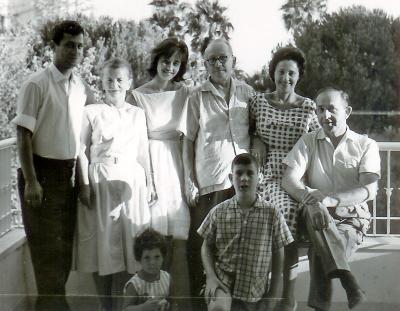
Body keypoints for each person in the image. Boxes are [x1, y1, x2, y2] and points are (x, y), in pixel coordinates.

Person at [12, 20, 91, 311]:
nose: (75, 51)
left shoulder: (80, 86)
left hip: (68, 176)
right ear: (54, 47)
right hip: (41, 175)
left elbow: (78, 140)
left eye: (80, 46)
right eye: (69, 44)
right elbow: (23, 135)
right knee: (46, 255)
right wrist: (32, 181)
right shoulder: (37, 84)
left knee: (63, 253)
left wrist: (82, 182)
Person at [282, 87, 380, 310]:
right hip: (315, 213)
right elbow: (288, 179)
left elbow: (368, 190)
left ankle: (335, 295)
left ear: (347, 112)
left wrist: (330, 200)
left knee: (319, 249)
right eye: (320, 109)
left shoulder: (366, 145)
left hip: (351, 219)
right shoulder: (308, 141)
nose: (325, 116)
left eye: (332, 109)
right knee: (313, 212)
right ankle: (351, 284)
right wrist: (315, 201)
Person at [75, 57, 155, 311]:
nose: (114, 84)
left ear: (129, 83)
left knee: (131, 244)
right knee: (103, 246)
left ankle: (127, 306)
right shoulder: (91, 111)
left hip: (131, 181)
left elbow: (144, 152)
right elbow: (82, 151)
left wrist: (151, 182)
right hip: (101, 181)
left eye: (120, 79)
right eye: (109, 79)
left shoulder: (137, 114)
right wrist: (84, 184)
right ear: (102, 82)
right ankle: (105, 306)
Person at [178, 38, 254, 301]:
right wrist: (189, 179)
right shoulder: (196, 96)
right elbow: (187, 139)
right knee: (202, 246)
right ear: (205, 64)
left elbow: (257, 133)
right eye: (212, 59)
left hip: (242, 184)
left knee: (241, 249)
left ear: (233, 60)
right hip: (210, 182)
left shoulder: (248, 93)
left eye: (223, 58)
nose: (218, 63)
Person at [249, 46, 320, 310]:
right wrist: (257, 139)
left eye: (291, 73)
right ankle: (280, 292)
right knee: (285, 212)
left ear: (298, 76)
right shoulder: (258, 102)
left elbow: (317, 142)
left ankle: (285, 292)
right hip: (268, 174)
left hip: (297, 174)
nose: (285, 78)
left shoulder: (308, 107)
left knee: (290, 213)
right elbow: (249, 130)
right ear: (273, 74)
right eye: (281, 72)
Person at [130, 37, 191, 309]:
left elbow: (189, 134)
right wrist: (148, 178)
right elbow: (136, 140)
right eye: (166, 61)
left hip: (176, 164)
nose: (170, 67)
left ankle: (178, 304)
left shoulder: (185, 92)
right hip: (151, 162)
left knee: (178, 237)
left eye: (177, 63)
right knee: (155, 238)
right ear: (156, 61)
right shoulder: (138, 94)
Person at [198, 153, 294, 311]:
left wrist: (275, 291)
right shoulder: (218, 211)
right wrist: (211, 277)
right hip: (223, 282)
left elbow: (279, 252)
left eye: (250, 173)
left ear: (260, 177)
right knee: (218, 307)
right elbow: (206, 246)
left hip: (253, 289)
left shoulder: (272, 213)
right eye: (239, 173)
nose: (244, 178)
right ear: (231, 178)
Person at [123, 229, 171, 311]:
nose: (152, 262)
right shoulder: (135, 284)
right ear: (139, 259)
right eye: (147, 258)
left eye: (157, 257)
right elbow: (125, 309)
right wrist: (142, 308)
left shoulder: (167, 277)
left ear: (163, 257)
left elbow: (171, 301)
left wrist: (166, 304)